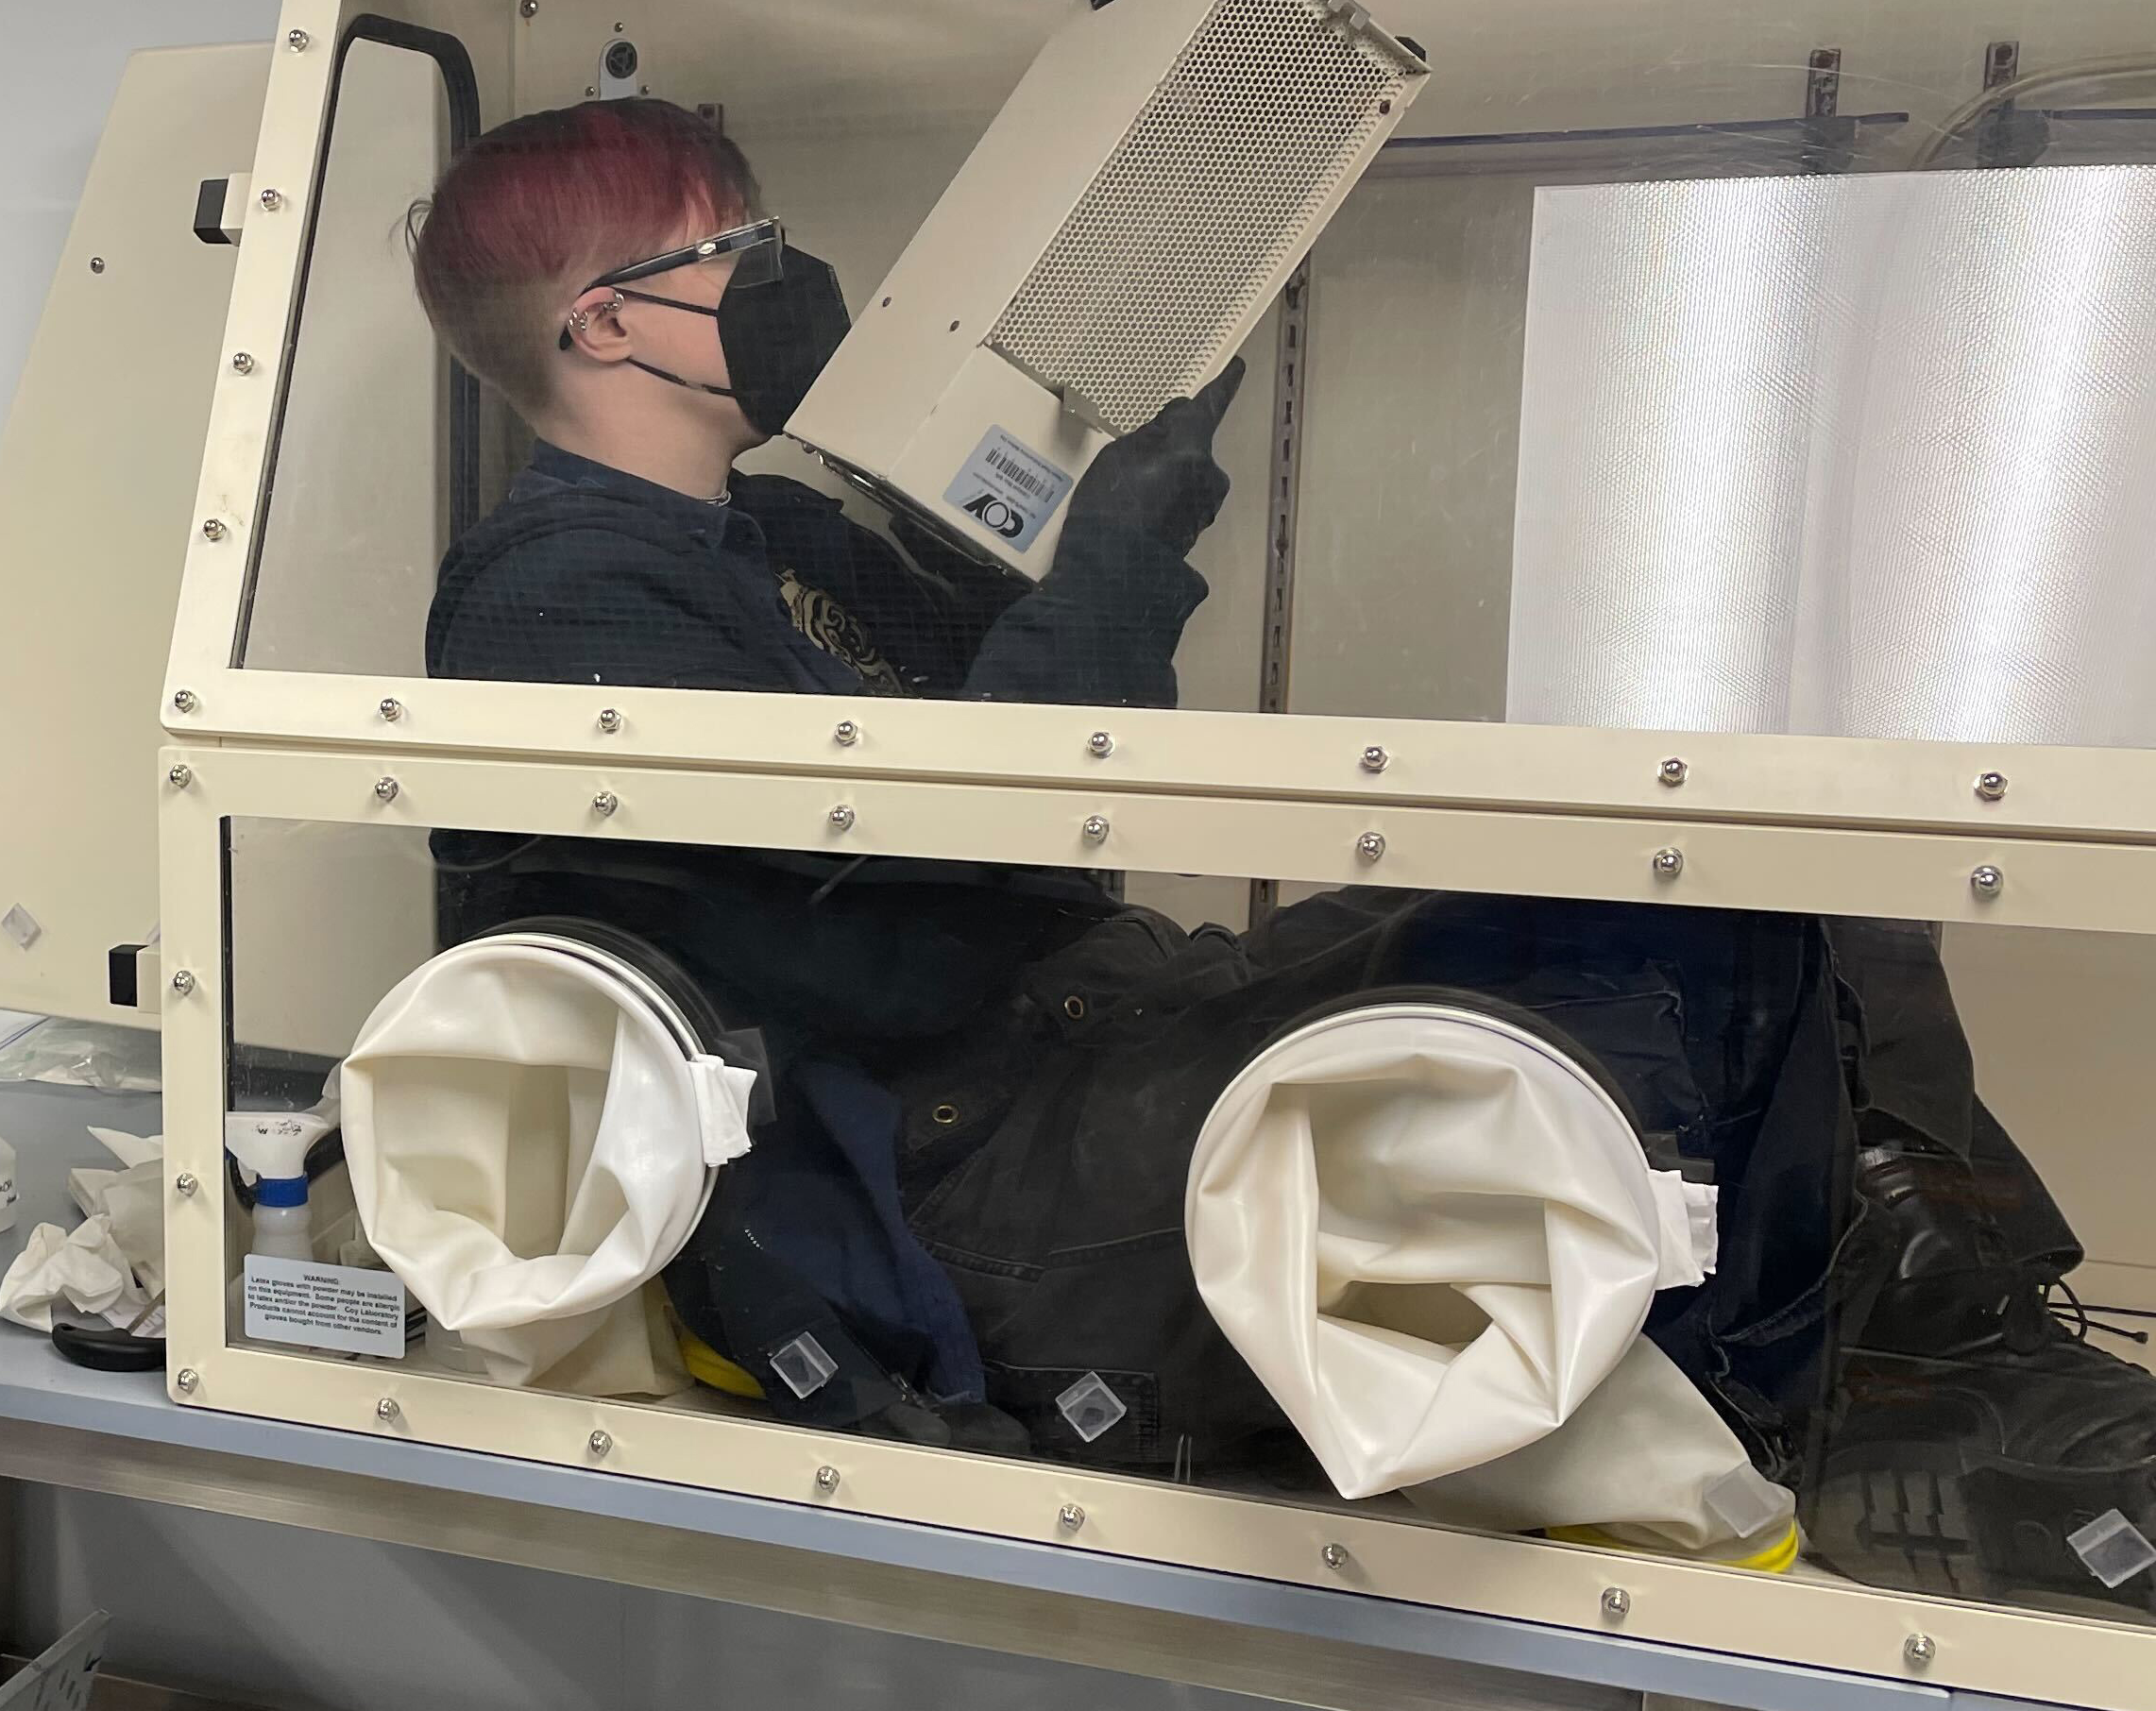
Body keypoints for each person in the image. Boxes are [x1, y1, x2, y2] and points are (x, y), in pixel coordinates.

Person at [410, 102, 2153, 1596]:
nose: (787, 279)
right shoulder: (561, 595)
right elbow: (904, 936)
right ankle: (1871, 1404)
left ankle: (1956, 1339)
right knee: (1665, 960)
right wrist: (1107, 570)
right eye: (740, 246)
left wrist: (1082, 458)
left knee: (1730, 854)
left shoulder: (779, 531)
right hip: (948, 1168)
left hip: (1074, 1038)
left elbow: (1037, 708)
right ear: (608, 324)